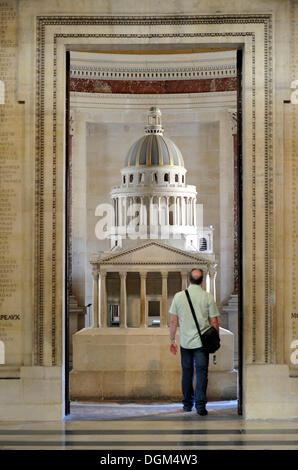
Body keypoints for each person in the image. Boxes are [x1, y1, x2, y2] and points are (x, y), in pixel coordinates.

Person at [169, 268, 220, 416]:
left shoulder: (178, 297)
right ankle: (200, 406)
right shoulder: (208, 297)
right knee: (202, 374)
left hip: (185, 343)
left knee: (187, 373)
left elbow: (173, 321)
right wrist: (215, 340)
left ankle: (186, 404)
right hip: (202, 343)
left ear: (188, 280)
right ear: (202, 281)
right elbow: (214, 321)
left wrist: (172, 340)